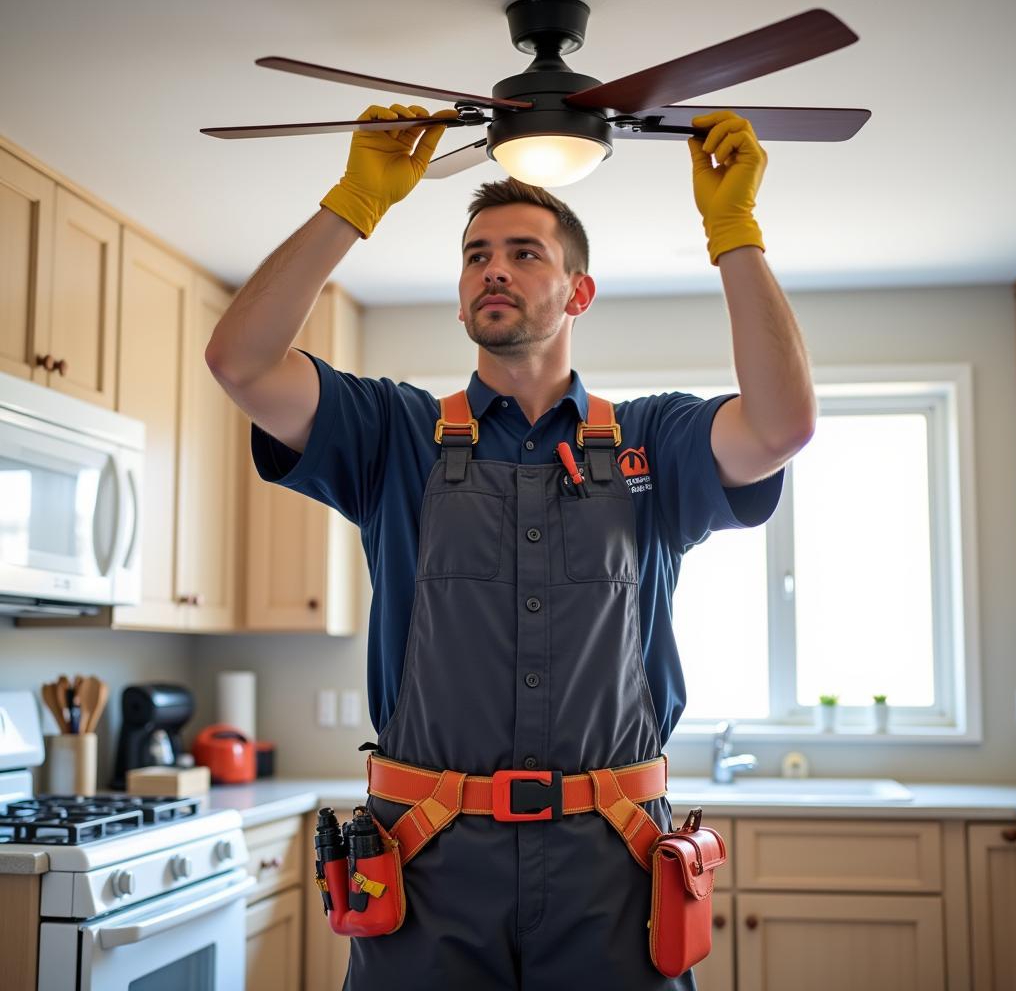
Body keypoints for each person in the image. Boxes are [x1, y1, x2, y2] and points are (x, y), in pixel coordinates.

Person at [206, 103, 816, 989]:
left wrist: (734, 231)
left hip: (615, 873)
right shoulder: (395, 435)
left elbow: (782, 424)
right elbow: (241, 363)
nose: (493, 269)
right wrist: (353, 202)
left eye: (525, 252)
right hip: (425, 873)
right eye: (476, 255)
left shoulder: (653, 442)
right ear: (461, 296)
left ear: (578, 292)